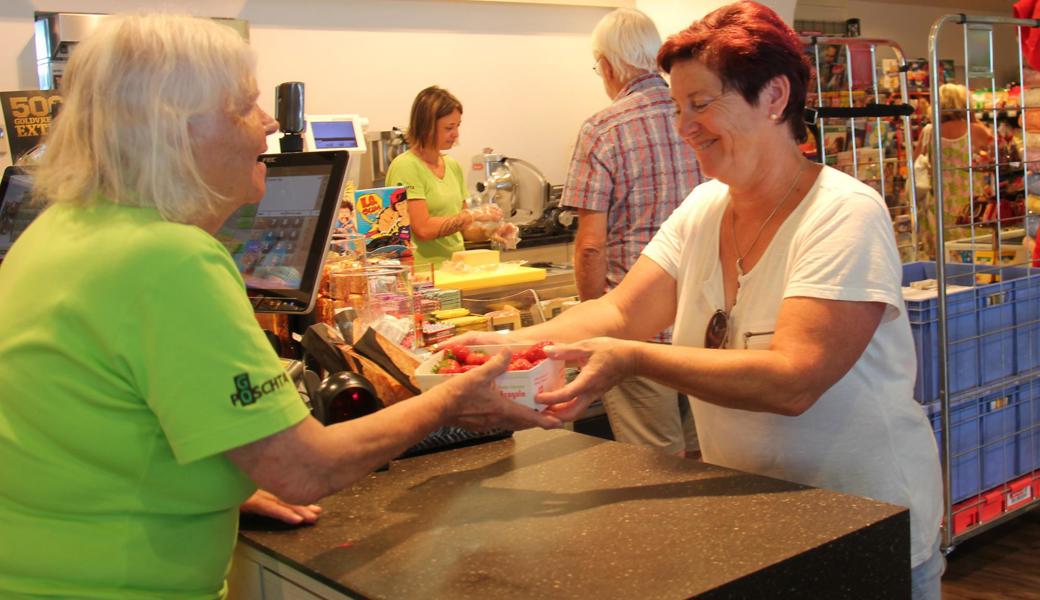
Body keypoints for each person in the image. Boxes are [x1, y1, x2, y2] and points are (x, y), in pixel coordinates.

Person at [0, 14, 559, 599]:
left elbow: (91, 419)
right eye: (244, 106)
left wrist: (228, 477)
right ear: (178, 130)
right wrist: (446, 403)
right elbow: (304, 469)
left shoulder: (55, 230)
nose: (268, 123)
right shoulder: (169, 259)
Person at [452, 3, 944, 597]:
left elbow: (793, 380)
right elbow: (623, 311)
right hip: (756, 516)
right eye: (679, 105)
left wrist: (632, 358)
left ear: (774, 96)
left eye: (701, 103)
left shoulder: (843, 213)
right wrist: (509, 345)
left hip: (862, 523)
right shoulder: (703, 208)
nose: (683, 125)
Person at [561, 7, 702, 457]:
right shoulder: (700, 116)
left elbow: (590, 247)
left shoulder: (603, 130)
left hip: (636, 329)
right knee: (717, 458)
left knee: (655, 461)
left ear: (606, 65)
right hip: (706, 325)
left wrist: (591, 321)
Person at [384, 86, 502, 266]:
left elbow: (464, 230)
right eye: (449, 128)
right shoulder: (406, 167)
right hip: (423, 275)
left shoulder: (452, 166)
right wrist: (470, 216)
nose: (455, 134)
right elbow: (423, 229)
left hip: (455, 270)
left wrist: (491, 230)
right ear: (427, 128)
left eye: (457, 126)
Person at [914, 82, 994, 257]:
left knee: (945, 259)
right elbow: (997, 157)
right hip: (972, 207)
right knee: (977, 258)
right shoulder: (975, 131)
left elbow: (916, 164)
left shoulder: (929, 131)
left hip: (940, 206)